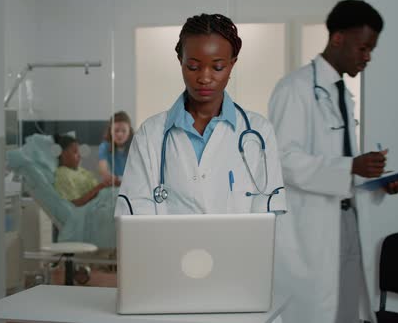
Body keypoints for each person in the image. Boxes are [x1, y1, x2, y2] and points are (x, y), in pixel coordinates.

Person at [268, 0, 398, 323]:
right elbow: (282, 160)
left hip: (345, 222)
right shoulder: (295, 88)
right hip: (311, 230)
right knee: (318, 312)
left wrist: (378, 184)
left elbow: (336, 168)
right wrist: (351, 166)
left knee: (346, 310)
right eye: (363, 48)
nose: (367, 57)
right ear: (338, 38)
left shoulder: (342, 92)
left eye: (371, 50)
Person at [115, 13, 286, 217]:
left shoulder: (259, 132)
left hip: (237, 249)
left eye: (218, 67)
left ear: (232, 64)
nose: (204, 78)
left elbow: (266, 219)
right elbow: (134, 219)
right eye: (193, 67)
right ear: (181, 61)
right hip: (169, 249)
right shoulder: (150, 134)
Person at [53, 134, 118, 207]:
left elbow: (95, 190)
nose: (79, 155)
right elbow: (75, 204)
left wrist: (109, 184)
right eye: (75, 152)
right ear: (63, 154)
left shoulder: (80, 170)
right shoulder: (62, 174)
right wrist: (99, 187)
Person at [98, 111, 133, 183]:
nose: (120, 134)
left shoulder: (136, 147)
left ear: (129, 131)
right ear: (110, 130)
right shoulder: (104, 147)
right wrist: (108, 176)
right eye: (116, 130)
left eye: (124, 131)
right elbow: (103, 172)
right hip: (114, 186)